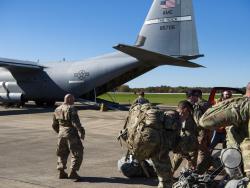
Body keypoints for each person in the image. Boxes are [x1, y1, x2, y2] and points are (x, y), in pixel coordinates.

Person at [199, 82, 250, 187]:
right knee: (213, 148)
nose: (227, 96)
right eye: (225, 94)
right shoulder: (221, 102)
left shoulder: (241, 105)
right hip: (220, 134)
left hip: (244, 161)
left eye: (228, 95)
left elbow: (205, 121)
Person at [52, 94, 85, 179]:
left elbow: (54, 124)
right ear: (69, 99)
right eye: (73, 100)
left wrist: (60, 132)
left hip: (61, 134)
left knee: (61, 153)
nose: (73, 101)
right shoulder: (72, 108)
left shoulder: (57, 109)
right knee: (77, 152)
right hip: (71, 133)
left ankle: (61, 172)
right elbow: (75, 122)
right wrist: (81, 131)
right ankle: (73, 172)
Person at [186, 89, 211, 174]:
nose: (196, 97)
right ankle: (199, 170)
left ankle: (196, 170)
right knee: (199, 151)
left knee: (196, 152)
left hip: (198, 131)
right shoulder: (205, 103)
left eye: (196, 96)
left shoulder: (198, 104)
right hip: (202, 130)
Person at [172, 100, 199, 174]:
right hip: (182, 144)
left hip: (190, 144)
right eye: (188, 110)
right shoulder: (176, 116)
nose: (189, 112)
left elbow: (195, 128)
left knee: (191, 161)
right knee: (177, 159)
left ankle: (190, 175)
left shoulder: (189, 115)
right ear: (185, 109)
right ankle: (169, 176)